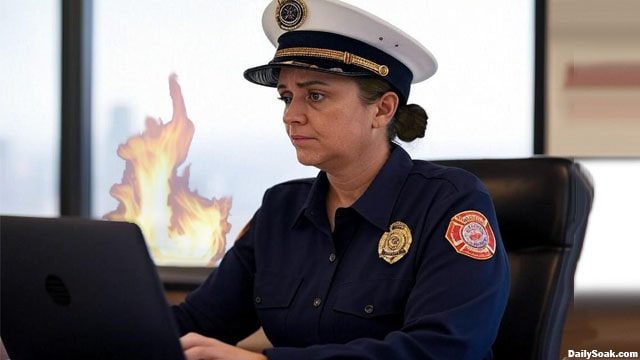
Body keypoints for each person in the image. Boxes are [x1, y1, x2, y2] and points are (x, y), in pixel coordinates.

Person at [172, 0, 510, 359]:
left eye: (315, 96)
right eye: (287, 98)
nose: (291, 116)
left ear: (382, 109)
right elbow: (197, 321)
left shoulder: (450, 203)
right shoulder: (280, 210)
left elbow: (444, 349)